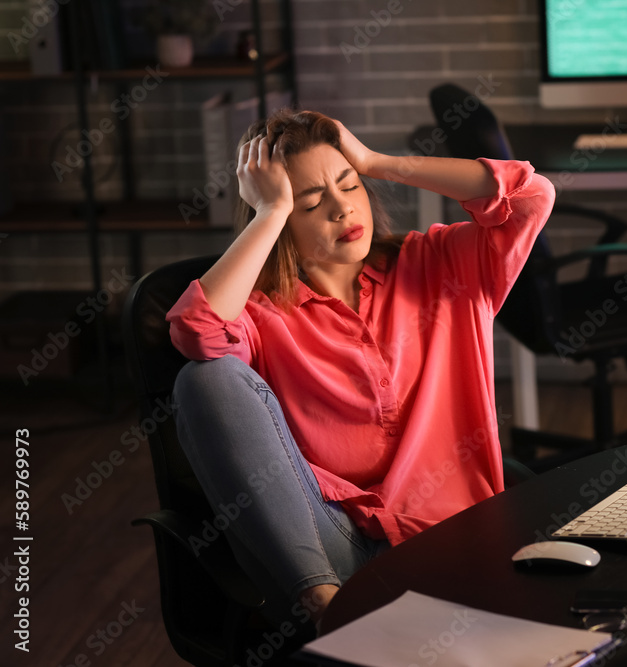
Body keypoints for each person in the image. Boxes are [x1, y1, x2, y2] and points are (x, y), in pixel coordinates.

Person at [166, 108, 555, 635]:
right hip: (336, 550)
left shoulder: (441, 264)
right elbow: (196, 331)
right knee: (203, 379)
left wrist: (378, 161)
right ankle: (328, 612)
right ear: (281, 222)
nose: (342, 208)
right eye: (309, 202)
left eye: (350, 185)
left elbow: (530, 196)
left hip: (453, 538)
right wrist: (268, 212)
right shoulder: (262, 315)